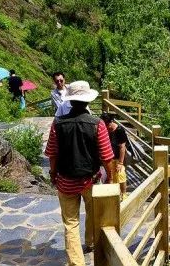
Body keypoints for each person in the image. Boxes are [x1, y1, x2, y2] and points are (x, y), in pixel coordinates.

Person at [45, 81, 115, 265]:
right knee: (93, 214)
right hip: (90, 180)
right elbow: (107, 157)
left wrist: (53, 174)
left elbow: (52, 154)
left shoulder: (57, 124)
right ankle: (90, 242)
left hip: (65, 181)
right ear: (88, 101)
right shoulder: (97, 124)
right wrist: (111, 178)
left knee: (70, 223)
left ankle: (76, 263)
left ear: (70, 100)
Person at [101, 113, 128, 196]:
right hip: (108, 157)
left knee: (120, 175)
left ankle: (123, 194)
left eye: (106, 124)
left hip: (118, 157)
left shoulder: (119, 130)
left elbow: (122, 147)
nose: (106, 127)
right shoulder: (103, 130)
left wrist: (120, 163)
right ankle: (114, 195)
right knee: (111, 177)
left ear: (111, 122)